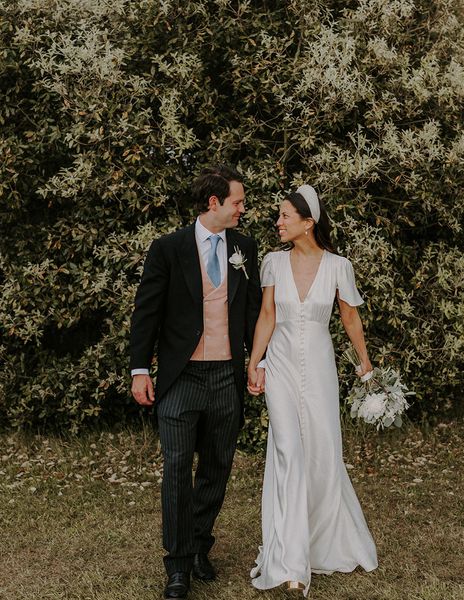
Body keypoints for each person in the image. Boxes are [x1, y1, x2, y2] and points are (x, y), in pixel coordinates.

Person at [129, 165, 263, 599]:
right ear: (214, 203)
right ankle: (178, 565)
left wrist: (258, 362)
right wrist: (139, 369)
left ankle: (200, 544)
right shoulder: (168, 249)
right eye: (238, 202)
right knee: (175, 468)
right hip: (181, 378)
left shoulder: (245, 247)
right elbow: (147, 312)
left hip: (226, 374)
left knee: (216, 467)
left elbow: (254, 311)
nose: (243, 209)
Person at [247, 185, 378, 595]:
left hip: (320, 369)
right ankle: (289, 560)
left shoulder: (339, 266)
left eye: (286, 216)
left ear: (309, 223)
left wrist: (365, 362)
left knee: (321, 452)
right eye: (279, 215)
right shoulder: (272, 262)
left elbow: (350, 319)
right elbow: (267, 315)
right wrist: (255, 361)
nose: (278, 222)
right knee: (287, 449)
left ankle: (321, 540)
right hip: (281, 367)